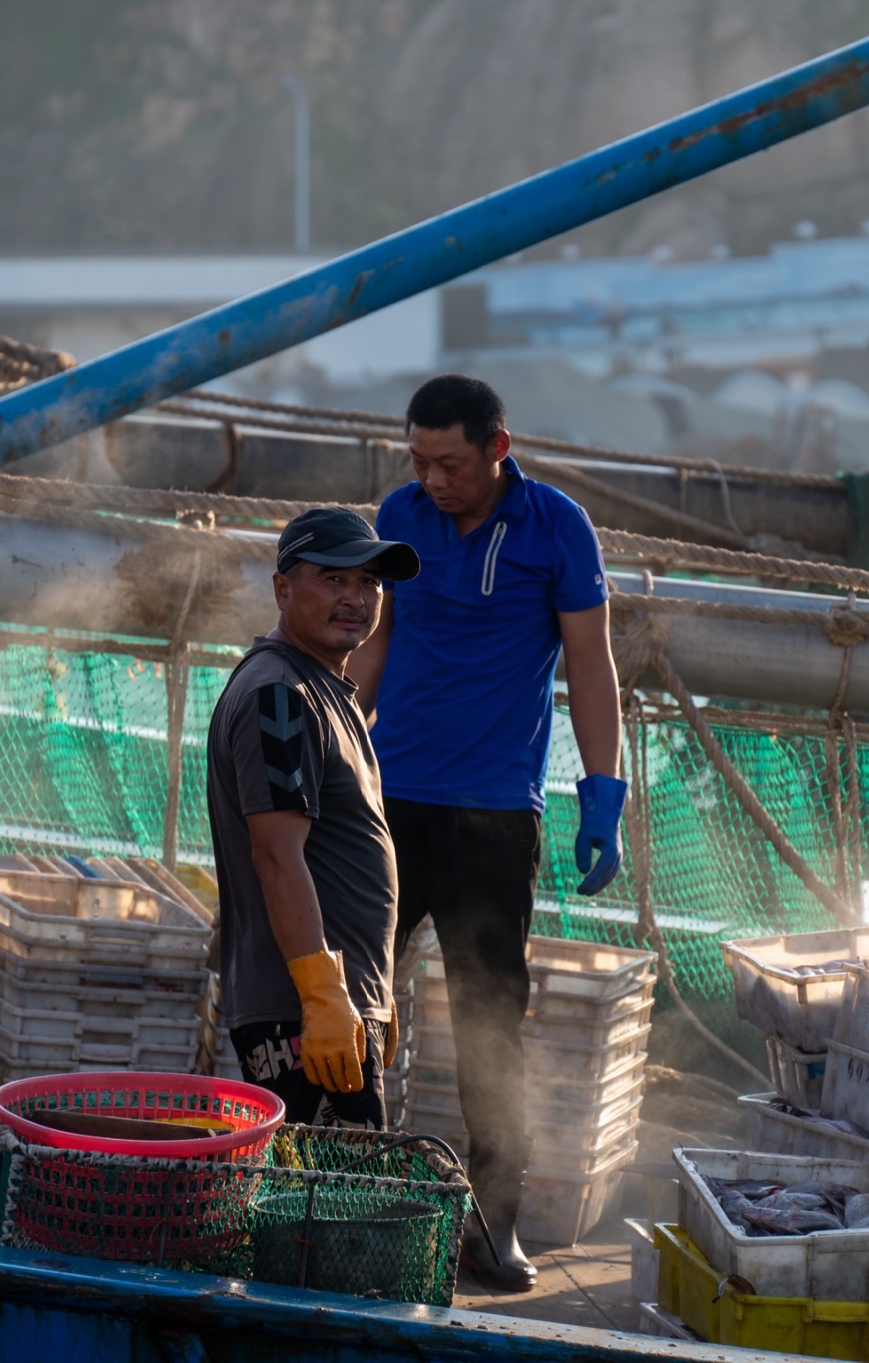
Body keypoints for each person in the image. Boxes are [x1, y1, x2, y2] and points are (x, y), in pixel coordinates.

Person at [352, 373, 625, 1291]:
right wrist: (344, 742)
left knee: (489, 1023)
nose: (432, 479)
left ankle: (492, 1224)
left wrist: (603, 788)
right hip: (391, 802)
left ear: (498, 447)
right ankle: (347, 1193)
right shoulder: (399, 512)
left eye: (451, 463)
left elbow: (590, 663)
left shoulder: (558, 528)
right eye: (419, 461)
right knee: (352, 1000)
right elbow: (380, 636)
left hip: (496, 816)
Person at [207, 506, 421, 1127]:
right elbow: (277, 855)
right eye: (333, 579)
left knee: (325, 1201)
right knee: (321, 1210)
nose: (355, 598)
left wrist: (371, 992)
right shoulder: (281, 696)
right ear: (282, 588)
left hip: (338, 1005)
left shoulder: (323, 687)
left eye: (370, 583)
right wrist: (324, 997)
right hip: (302, 1014)